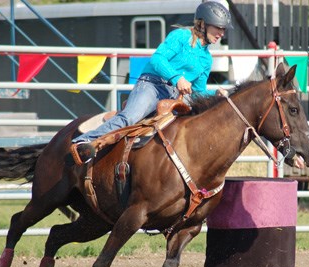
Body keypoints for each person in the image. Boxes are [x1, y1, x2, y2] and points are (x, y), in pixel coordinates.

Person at [71, 1, 232, 164]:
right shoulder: (181, 37)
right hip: (152, 85)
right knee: (130, 117)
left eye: (223, 29)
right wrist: (177, 78)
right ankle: (82, 143)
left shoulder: (206, 59)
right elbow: (158, 58)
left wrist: (215, 94)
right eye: (218, 27)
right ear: (203, 24)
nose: (221, 33)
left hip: (174, 98)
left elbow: (198, 91)